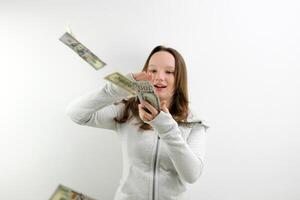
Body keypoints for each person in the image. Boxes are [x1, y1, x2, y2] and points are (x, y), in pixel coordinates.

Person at [65, 45, 209, 200]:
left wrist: (166, 128)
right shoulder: (127, 110)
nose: (159, 77)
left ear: (179, 78)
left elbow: (191, 175)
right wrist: (115, 90)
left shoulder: (193, 122)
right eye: (153, 70)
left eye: (169, 72)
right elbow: (76, 113)